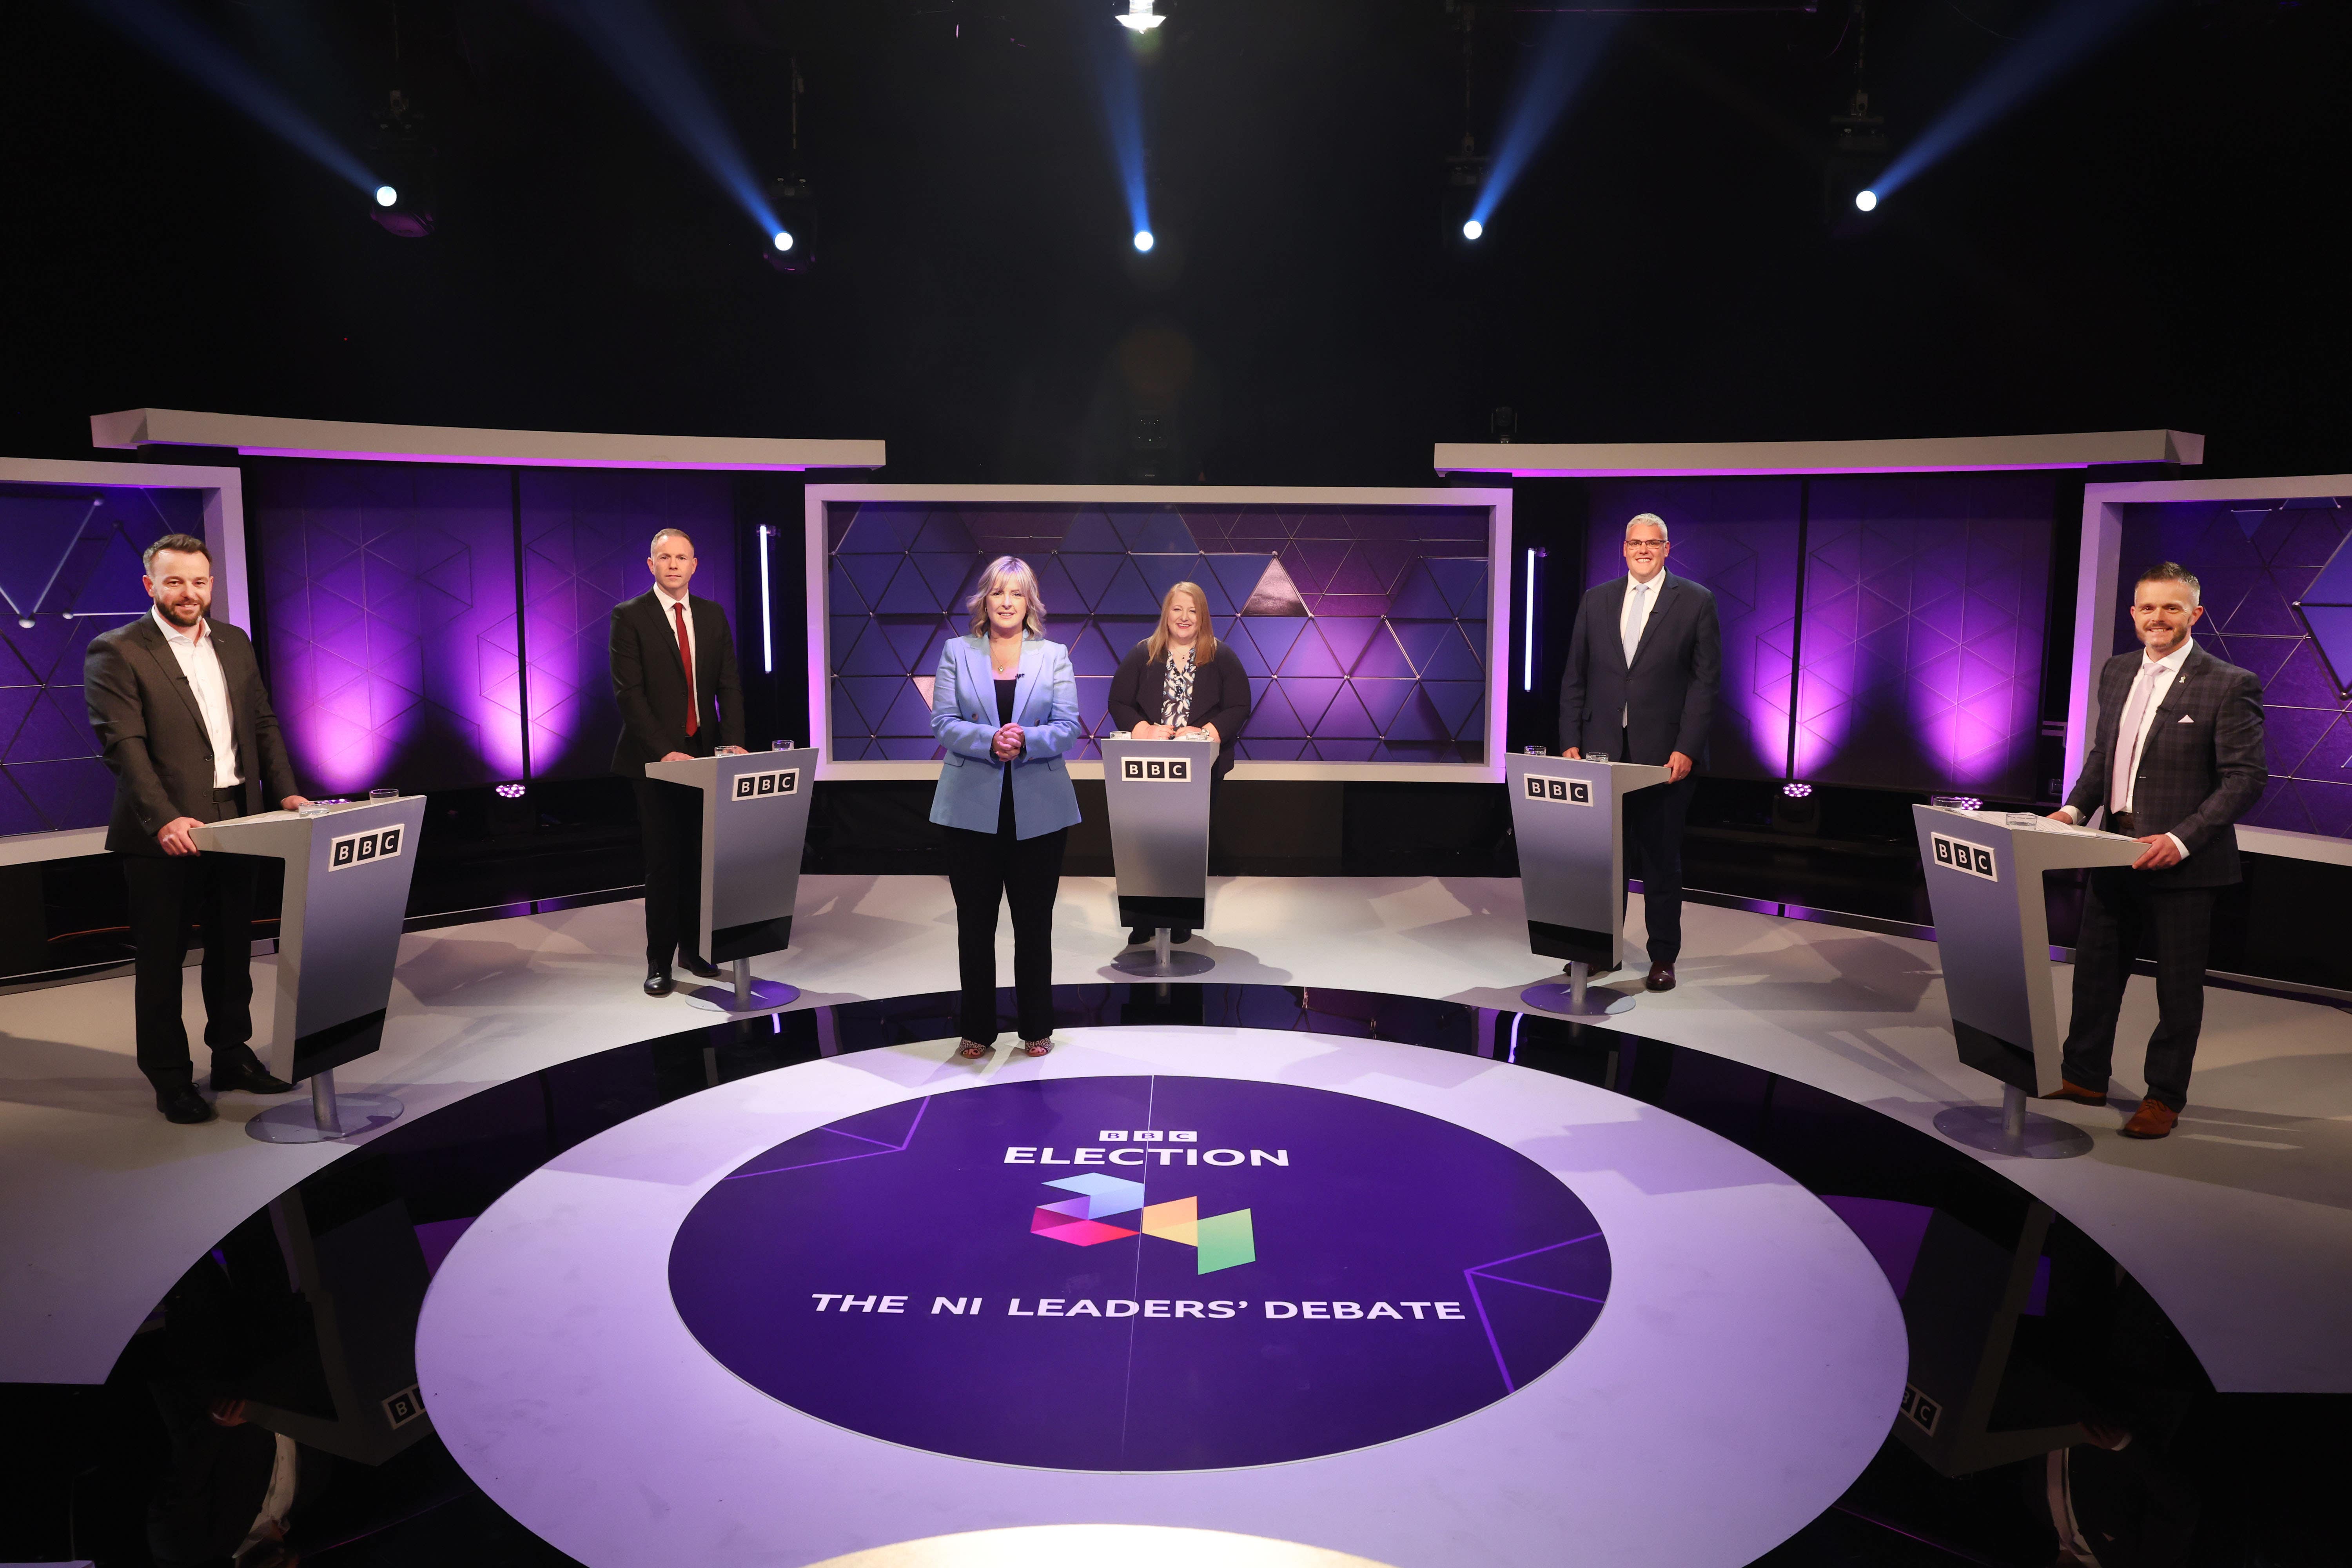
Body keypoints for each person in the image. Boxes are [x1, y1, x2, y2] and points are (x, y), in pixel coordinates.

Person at [85, 534, 310, 1125]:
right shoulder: (117, 650)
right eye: (176, 581)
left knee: (234, 950)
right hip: (164, 831)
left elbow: (262, 721)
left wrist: (285, 790)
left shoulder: (234, 642)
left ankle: (232, 1056)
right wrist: (165, 818)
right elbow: (123, 747)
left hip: (240, 818)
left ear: (212, 583)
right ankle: (170, 1079)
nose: (190, 593)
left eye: (200, 581)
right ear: (151, 586)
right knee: (162, 962)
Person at [2043, 562, 2265, 1140]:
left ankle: (2163, 1098)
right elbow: (2104, 756)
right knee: (2095, 973)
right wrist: (2072, 810)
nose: (2157, 618)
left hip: (2185, 864)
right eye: (2148, 607)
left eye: (2171, 608)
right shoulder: (2116, 671)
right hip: (2113, 851)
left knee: (2177, 990)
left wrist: (2180, 839)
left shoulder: (2229, 682)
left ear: (2195, 615)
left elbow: (2245, 780)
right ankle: (2084, 1076)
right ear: (2134, 613)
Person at [1556, 512, 1721, 992]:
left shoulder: (1695, 602)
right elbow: (1575, 676)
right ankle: (1597, 952)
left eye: (1653, 543)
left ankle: (1662, 958)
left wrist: (1687, 747)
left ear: (1667, 548)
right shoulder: (1596, 600)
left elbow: (1705, 684)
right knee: (1603, 863)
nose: (1643, 550)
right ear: (1623, 548)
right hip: (1600, 755)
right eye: (1635, 543)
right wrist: (1571, 738)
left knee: (1660, 862)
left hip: (1663, 760)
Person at [929, 557, 1083, 1061]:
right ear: (985, 599)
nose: (1007, 602)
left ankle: (1036, 1026)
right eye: (998, 593)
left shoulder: (1055, 655)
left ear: (1030, 602)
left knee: (1034, 923)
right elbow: (944, 722)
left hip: (1038, 806)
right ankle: (977, 1027)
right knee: (975, 923)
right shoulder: (956, 651)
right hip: (971, 806)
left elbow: (1068, 725)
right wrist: (990, 739)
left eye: (1017, 594)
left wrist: (1025, 739)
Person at [610, 528, 746, 996]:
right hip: (653, 761)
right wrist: (666, 749)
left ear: (694, 565)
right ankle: (659, 961)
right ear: (651, 565)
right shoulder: (629, 616)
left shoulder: (712, 615)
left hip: (706, 758)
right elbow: (630, 694)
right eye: (664, 557)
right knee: (665, 862)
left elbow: (728, 684)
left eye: (681, 557)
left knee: (699, 859)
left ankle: (694, 949)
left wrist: (732, 744)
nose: (673, 565)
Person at [1107, 580, 1251, 946]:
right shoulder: (1144, 654)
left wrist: (1207, 732)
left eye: (1193, 611)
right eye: (1178, 609)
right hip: (1145, 769)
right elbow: (1119, 702)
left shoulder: (1222, 656)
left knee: (1185, 844)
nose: (1185, 617)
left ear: (1202, 617)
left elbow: (1239, 705)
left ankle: (1181, 919)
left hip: (1201, 767)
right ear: (1166, 614)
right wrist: (1142, 729)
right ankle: (1143, 919)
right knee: (1145, 844)